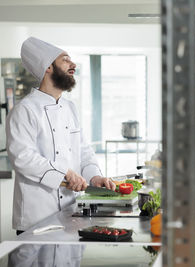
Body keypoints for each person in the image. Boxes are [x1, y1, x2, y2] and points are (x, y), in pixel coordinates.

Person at [6, 37, 116, 233]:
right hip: (36, 215)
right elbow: (23, 158)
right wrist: (65, 173)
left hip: (70, 211)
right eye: (65, 59)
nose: (73, 64)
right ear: (48, 67)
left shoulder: (70, 107)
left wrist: (94, 176)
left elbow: (82, 150)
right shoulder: (25, 110)